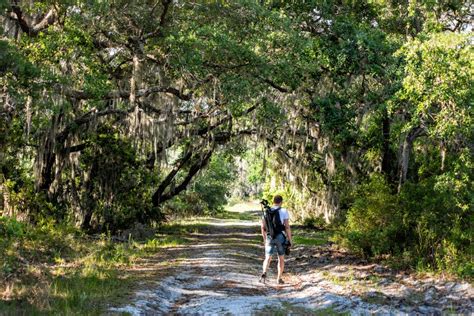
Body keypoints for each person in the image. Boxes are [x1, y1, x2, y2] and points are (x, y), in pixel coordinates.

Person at [260, 194, 292, 284]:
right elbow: (287, 227)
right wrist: (289, 239)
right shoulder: (284, 211)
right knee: (281, 258)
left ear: (273, 202)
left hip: (270, 237)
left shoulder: (267, 211)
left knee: (267, 257)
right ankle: (279, 278)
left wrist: (264, 238)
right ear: (281, 202)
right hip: (280, 237)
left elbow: (263, 227)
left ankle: (264, 273)